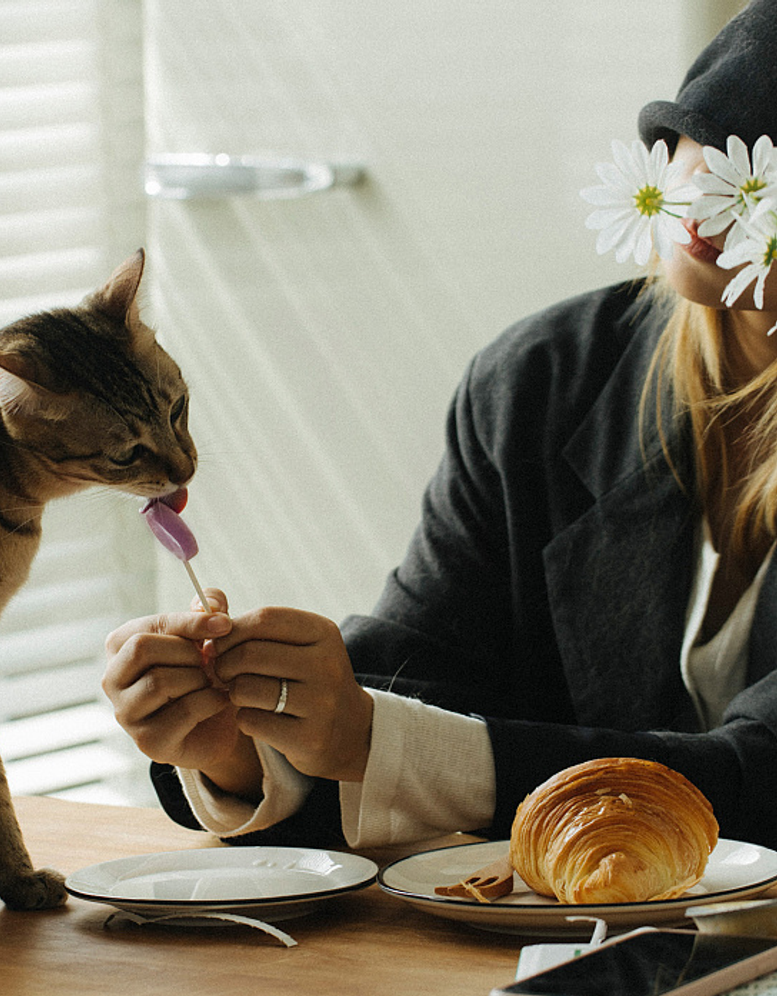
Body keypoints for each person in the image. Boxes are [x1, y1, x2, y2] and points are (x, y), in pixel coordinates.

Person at [103, 0, 777, 851]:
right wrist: (250, 746)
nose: (705, 191)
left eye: (760, 173)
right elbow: (422, 676)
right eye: (699, 139)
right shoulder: (542, 382)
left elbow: (759, 777)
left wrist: (373, 740)